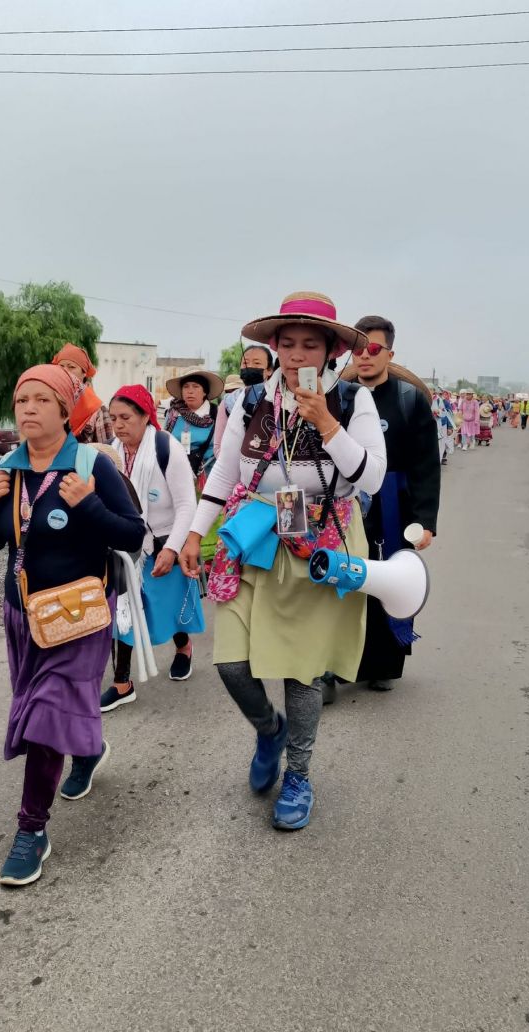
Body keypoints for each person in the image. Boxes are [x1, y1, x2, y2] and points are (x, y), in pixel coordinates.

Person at [180, 291, 386, 832]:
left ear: (331, 352)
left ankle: (298, 774)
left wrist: (327, 425)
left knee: (301, 672)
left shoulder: (351, 401)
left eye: (310, 345)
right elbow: (224, 475)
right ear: (273, 347)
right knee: (229, 662)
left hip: (323, 544)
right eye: (288, 344)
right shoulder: (250, 402)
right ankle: (267, 730)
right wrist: (192, 535)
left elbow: (370, 478)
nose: (298, 356)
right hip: (256, 540)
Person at [0, 365, 144, 886]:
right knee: (49, 705)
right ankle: (88, 748)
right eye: (22, 398)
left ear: (66, 410)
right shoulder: (9, 468)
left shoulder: (91, 465)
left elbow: (132, 535)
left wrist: (86, 504)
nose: (28, 408)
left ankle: (32, 830)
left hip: (81, 615)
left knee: (46, 714)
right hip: (24, 615)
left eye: (42, 399)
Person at [346, 315, 440, 697]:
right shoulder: (340, 396)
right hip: (347, 504)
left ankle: (384, 664)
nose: (365, 356)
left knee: (390, 581)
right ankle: (337, 664)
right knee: (347, 578)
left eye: (373, 349)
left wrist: (425, 519)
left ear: (389, 353)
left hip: (393, 507)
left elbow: (426, 465)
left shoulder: (409, 400)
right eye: (358, 349)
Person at [97, 385, 204, 714]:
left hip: (163, 541)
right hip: (127, 547)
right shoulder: (112, 452)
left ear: (145, 416)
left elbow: (188, 504)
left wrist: (172, 549)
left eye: (126, 417)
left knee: (169, 607)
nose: (118, 424)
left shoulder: (165, 447)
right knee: (124, 612)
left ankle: (183, 648)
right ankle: (122, 683)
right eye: (113, 418)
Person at [163, 366, 224, 485]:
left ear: (205, 391)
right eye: (186, 387)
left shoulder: (217, 414)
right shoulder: (172, 414)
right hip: (175, 477)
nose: (190, 391)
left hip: (208, 480)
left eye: (196, 386)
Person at [215, 345, 275, 451]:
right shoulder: (228, 402)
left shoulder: (278, 400)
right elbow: (218, 446)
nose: (249, 366)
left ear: (269, 370)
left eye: (257, 363)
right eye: (245, 363)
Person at [51, 342, 114, 444]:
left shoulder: (97, 411)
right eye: (61, 366)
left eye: (71, 367)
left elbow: (106, 452)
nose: (65, 371)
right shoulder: (50, 403)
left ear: (84, 373)